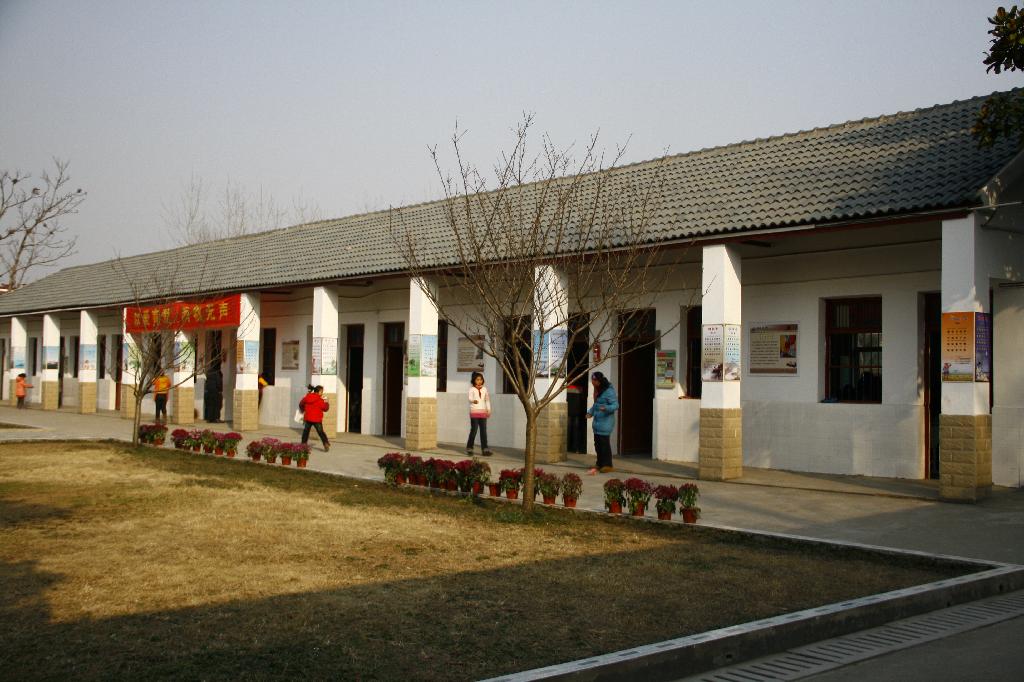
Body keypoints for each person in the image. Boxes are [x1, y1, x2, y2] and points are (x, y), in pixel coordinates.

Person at [586, 371, 619, 474]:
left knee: (604, 444)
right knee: (598, 445)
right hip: (597, 423)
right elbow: (596, 405)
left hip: (605, 422)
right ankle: (600, 463)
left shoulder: (609, 391)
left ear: (599, 381)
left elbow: (615, 405)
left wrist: (606, 408)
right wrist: (590, 412)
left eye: (594, 380)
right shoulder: (598, 389)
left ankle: (607, 465)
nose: (592, 382)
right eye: (592, 380)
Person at [466, 372, 492, 456]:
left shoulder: (485, 389)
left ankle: (485, 449)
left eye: (481, 379)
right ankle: (469, 448)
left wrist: (489, 410)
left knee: (483, 431)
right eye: (477, 379)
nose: (479, 381)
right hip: (474, 412)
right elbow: (469, 398)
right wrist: (473, 401)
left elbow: (487, 400)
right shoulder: (472, 389)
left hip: (483, 413)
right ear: (474, 380)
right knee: (474, 430)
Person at [299, 384, 331, 452]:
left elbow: (301, 404)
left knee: (306, 432)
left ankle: (303, 445)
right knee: (321, 432)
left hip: (308, 418)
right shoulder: (320, 400)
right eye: (322, 391)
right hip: (317, 419)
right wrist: (327, 402)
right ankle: (325, 443)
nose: (322, 393)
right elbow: (325, 408)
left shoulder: (307, 397)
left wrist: (303, 409)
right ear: (319, 391)